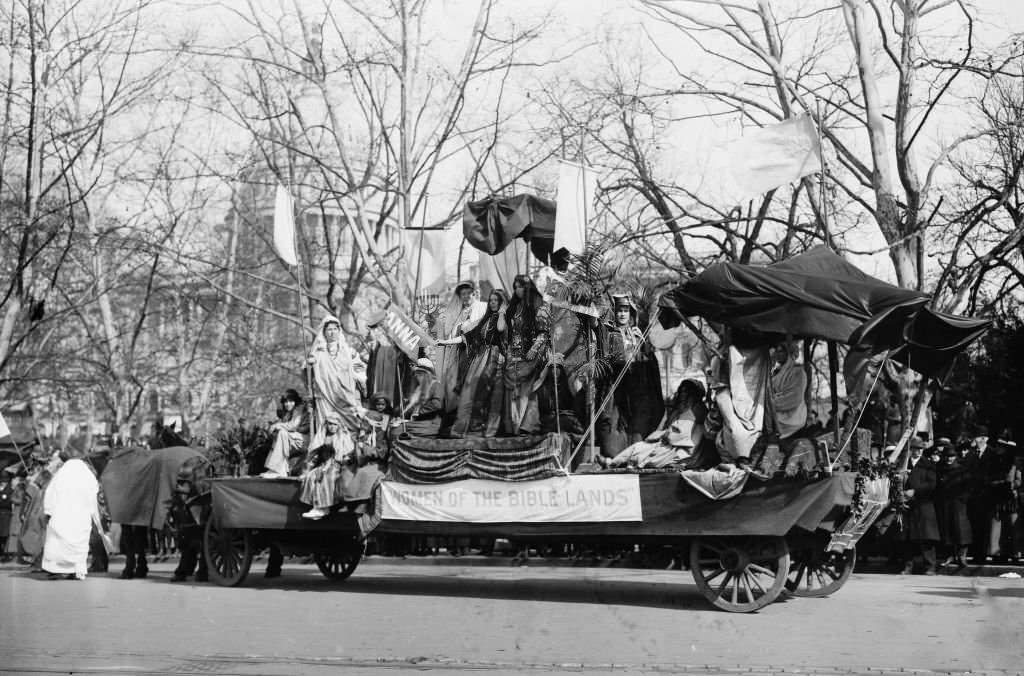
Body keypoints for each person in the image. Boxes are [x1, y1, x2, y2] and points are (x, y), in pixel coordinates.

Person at [438, 289, 509, 438]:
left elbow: (501, 329)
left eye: (496, 300)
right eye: (491, 300)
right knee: (468, 391)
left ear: (502, 302)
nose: (493, 303)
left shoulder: (504, 318)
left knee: (489, 394)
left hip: (494, 359)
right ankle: (462, 429)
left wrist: (502, 312)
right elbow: (467, 337)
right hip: (479, 358)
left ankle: (484, 430)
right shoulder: (485, 319)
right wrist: (445, 342)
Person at [601, 294, 664, 456]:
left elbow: (648, 361)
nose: (622, 314)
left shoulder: (637, 335)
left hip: (637, 392)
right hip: (616, 391)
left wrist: (643, 348)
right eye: (619, 310)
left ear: (631, 314)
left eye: (625, 310)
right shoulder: (608, 333)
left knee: (639, 435)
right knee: (612, 440)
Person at [597, 379, 708, 469]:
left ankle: (630, 464)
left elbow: (684, 436)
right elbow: (664, 431)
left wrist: (666, 435)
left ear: (693, 395)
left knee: (650, 456)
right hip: (666, 444)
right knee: (638, 446)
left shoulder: (698, 410)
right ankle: (611, 463)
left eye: (686, 392)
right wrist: (662, 434)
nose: (683, 395)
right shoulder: (676, 411)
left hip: (682, 451)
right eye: (682, 391)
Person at [498, 275, 549, 436]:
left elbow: (544, 333)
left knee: (529, 391)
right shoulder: (514, 306)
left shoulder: (538, 304)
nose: (517, 290)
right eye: (515, 287)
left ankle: (529, 426)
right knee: (513, 391)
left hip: (532, 355)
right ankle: (513, 427)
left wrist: (533, 350)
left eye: (520, 286)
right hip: (513, 354)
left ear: (527, 287)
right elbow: (505, 331)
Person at [306, 315, 366, 450]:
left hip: (345, 397)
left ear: (339, 331)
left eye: (335, 329)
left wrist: (362, 381)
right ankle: (325, 453)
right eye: (329, 330)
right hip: (326, 396)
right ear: (324, 332)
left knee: (352, 424)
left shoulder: (349, 351)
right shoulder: (317, 353)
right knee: (327, 425)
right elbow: (307, 373)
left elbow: (359, 368)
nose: (332, 332)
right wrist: (309, 364)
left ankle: (350, 453)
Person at [435, 281, 486, 433]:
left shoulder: (482, 307)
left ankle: (477, 423)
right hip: (461, 355)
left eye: (468, 293)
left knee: (476, 387)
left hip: (479, 353)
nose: (465, 296)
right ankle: (460, 422)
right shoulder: (460, 313)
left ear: (474, 293)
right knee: (460, 388)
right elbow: (456, 333)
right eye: (462, 294)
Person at [41, 454, 100, 580]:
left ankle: (55, 570)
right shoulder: (87, 476)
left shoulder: (60, 475)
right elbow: (94, 493)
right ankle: (77, 571)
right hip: (81, 517)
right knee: (79, 545)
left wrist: (48, 511)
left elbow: (50, 493)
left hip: (61, 515)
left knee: (57, 543)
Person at [899, 437, 940, 575]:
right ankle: (908, 566)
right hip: (907, 504)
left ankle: (930, 566)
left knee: (926, 537)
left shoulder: (928, 464)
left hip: (923, 504)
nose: (918, 451)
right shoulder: (904, 464)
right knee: (907, 538)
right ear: (911, 449)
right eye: (915, 448)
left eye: (920, 449)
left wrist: (915, 490)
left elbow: (932, 484)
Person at [299, 416, 351, 520]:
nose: (332, 427)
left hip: (337, 465)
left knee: (326, 477)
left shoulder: (343, 437)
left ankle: (322, 507)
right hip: (322, 463)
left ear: (339, 425)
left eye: (335, 424)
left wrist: (339, 465)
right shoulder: (321, 436)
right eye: (330, 424)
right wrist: (308, 469)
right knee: (311, 476)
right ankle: (317, 507)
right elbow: (314, 454)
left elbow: (347, 455)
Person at [936, 441, 972, 570]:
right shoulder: (941, 470)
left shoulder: (962, 470)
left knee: (961, 530)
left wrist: (963, 499)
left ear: (955, 457)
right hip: (945, 504)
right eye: (947, 456)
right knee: (947, 530)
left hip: (959, 504)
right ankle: (949, 556)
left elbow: (969, 487)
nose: (949, 459)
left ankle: (962, 556)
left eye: (951, 456)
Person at [261, 389, 310, 478]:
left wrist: (276, 425)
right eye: (286, 402)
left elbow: (293, 426)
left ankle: (276, 469)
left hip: (304, 440)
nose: (288, 404)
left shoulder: (299, 409)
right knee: (280, 435)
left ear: (296, 401)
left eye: (291, 401)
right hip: (294, 439)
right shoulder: (288, 413)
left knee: (283, 433)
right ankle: (277, 469)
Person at [768, 338, 807, 440]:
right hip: (775, 414)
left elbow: (795, 398)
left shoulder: (798, 372)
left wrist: (770, 403)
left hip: (791, 419)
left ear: (789, 353)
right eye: (776, 350)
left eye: (781, 351)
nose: (777, 353)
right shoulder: (775, 372)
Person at [401, 358, 444, 437]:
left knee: (398, 430)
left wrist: (418, 411)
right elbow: (414, 406)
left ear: (427, 375)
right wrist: (402, 414)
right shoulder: (420, 388)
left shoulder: (436, 386)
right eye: (416, 374)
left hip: (431, 423)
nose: (417, 377)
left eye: (419, 374)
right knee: (396, 426)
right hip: (420, 422)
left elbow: (437, 405)